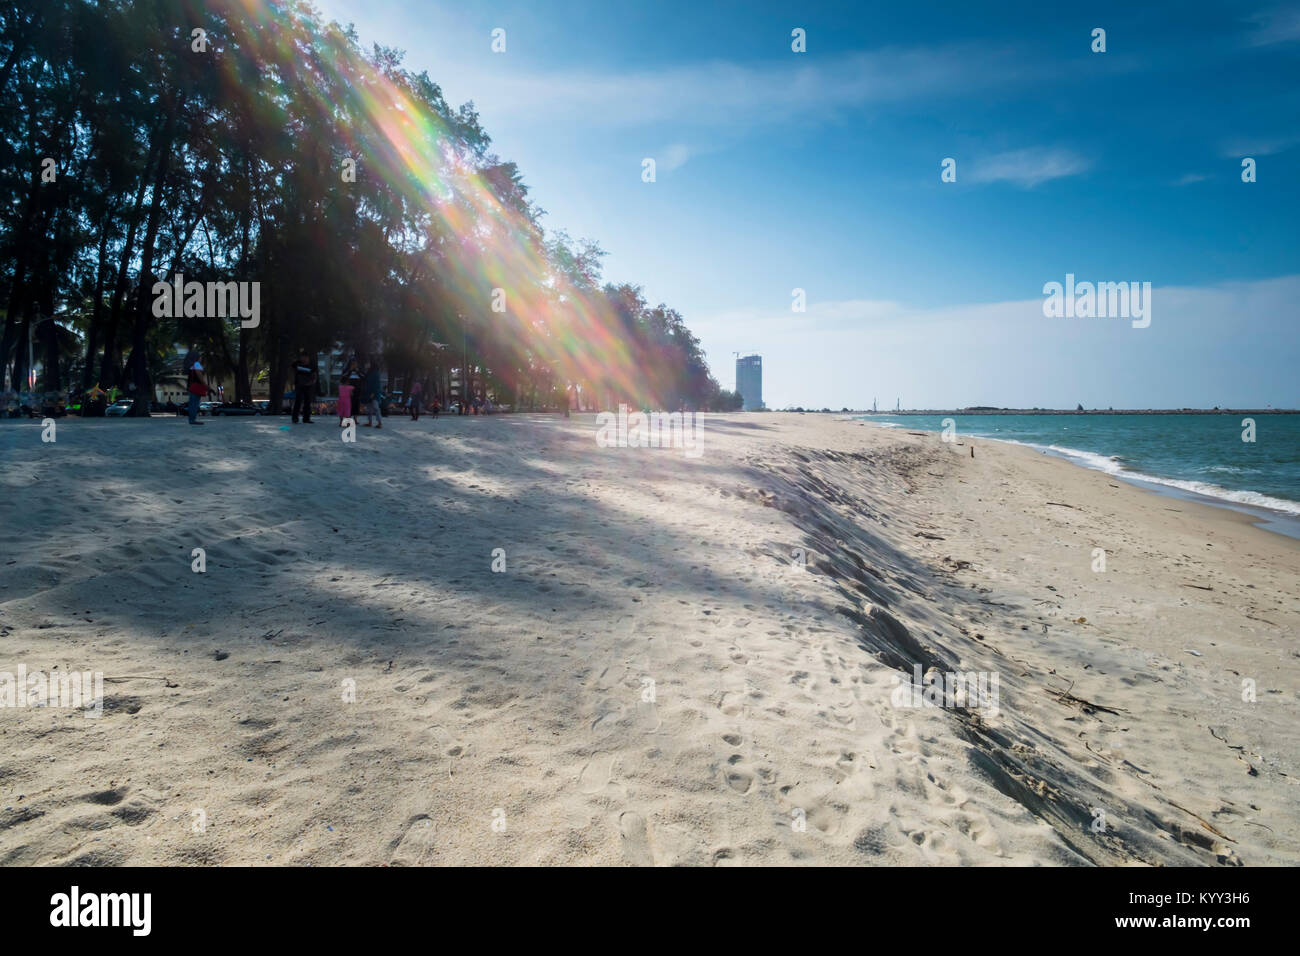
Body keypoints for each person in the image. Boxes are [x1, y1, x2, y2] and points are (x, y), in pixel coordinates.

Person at [291, 350, 317, 424]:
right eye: (303, 357)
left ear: (308, 358)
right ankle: (295, 418)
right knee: (298, 401)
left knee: (307, 402)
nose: (304, 359)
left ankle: (306, 419)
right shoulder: (297, 363)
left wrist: (313, 381)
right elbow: (292, 365)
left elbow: (315, 374)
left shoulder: (312, 365)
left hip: (308, 385)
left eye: (306, 357)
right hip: (299, 385)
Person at [183, 347, 207, 425]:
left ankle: (191, 419)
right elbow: (199, 376)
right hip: (197, 387)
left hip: (192, 387)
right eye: (200, 356)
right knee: (195, 404)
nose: (201, 358)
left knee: (192, 403)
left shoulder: (190, 365)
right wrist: (206, 385)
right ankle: (193, 420)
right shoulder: (197, 364)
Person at [363, 362, 383, 429]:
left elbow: (377, 385)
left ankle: (379, 423)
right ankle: (370, 422)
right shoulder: (368, 373)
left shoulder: (376, 373)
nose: (367, 365)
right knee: (369, 409)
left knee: (376, 408)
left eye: (368, 363)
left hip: (374, 394)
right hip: (368, 393)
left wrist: (373, 393)